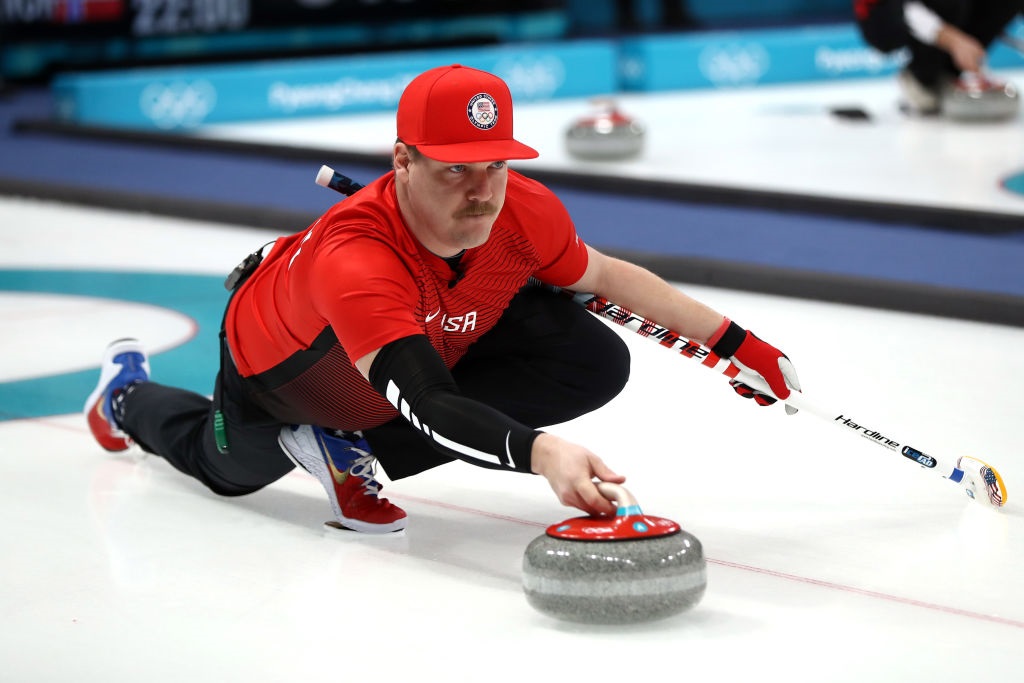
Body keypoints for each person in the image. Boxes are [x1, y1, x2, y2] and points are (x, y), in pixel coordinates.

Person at [84, 64, 801, 534]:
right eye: (456, 169)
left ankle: (350, 446)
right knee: (227, 471)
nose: (483, 191)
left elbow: (607, 277)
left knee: (589, 356)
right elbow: (429, 403)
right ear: (404, 160)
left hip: (421, 329)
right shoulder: (357, 258)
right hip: (282, 375)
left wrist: (740, 346)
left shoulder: (522, 208)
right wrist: (540, 452)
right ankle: (125, 396)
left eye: (495, 165)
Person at [854, 0, 1023, 114]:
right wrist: (953, 40)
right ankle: (922, 78)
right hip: (881, 12)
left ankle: (947, 72)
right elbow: (903, 8)